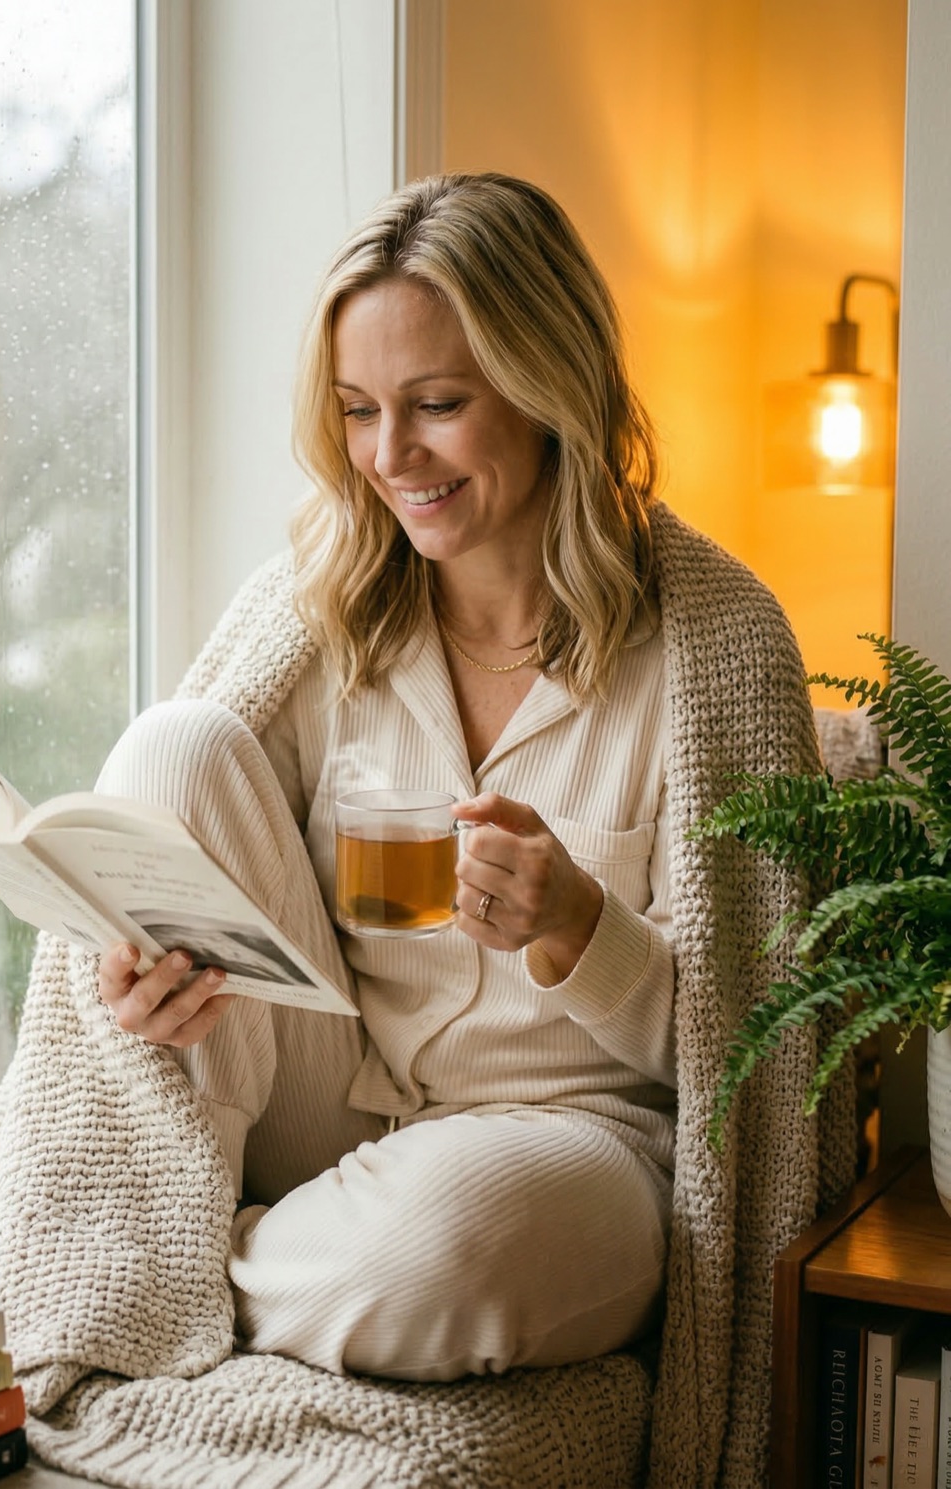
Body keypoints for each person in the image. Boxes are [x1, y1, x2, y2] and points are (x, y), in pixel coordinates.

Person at [91, 173, 689, 1383]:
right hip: (343, 1096)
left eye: (437, 404)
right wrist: (148, 985)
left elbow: (751, 1061)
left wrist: (581, 924)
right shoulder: (331, 615)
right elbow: (219, 875)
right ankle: (261, 1261)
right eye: (359, 410)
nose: (389, 455)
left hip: (570, 1149)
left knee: (441, 1248)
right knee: (172, 748)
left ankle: (191, 1272)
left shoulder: (697, 658)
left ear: (550, 386)